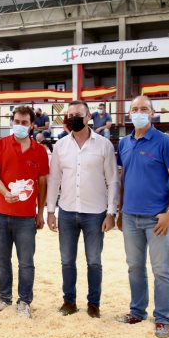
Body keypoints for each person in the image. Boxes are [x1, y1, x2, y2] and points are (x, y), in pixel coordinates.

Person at [115, 96, 169, 338]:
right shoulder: (124, 143)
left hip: (157, 218)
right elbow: (124, 178)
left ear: (152, 113)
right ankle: (137, 311)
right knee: (134, 267)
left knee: (161, 269)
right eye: (135, 109)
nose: (139, 112)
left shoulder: (164, 142)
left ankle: (163, 318)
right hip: (130, 216)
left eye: (144, 109)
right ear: (129, 113)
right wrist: (121, 211)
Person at [46, 100, 118, 319]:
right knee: (67, 260)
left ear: (89, 118)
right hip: (66, 210)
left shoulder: (104, 145)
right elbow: (54, 179)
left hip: (95, 212)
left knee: (94, 261)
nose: (73, 118)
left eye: (78, 114)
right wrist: (50, 211)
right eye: (70, 115)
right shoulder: (60, 146)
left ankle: (93, 303)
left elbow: (113, 180)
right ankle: (69, 301)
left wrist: (111, 212)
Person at [0, 105, 48, 318]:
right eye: (17, 122)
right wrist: (4, 193)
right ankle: (4, 297)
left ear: (32, 125)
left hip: (26, 217)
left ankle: (24, 300)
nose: (20, 126)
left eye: (24, 122)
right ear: (12, 122)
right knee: (1, 260)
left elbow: (42, 183)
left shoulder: (40, 151)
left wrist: (40, 213)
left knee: (26, 262)